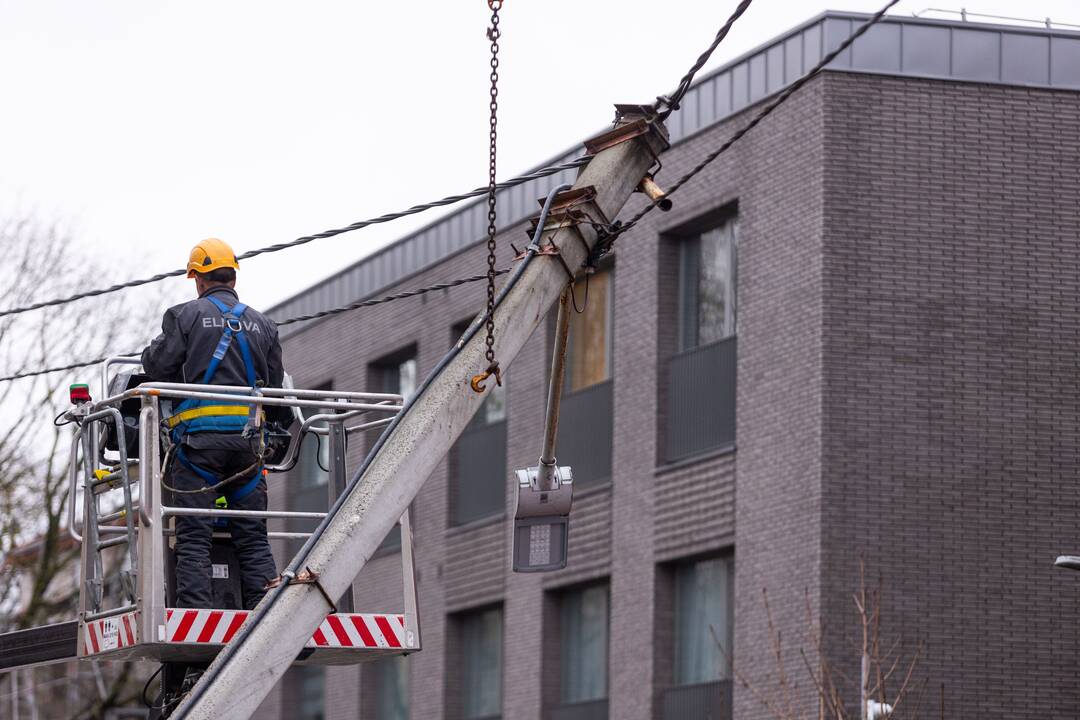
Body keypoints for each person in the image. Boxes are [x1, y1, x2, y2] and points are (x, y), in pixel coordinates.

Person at [141, 238, 286, 612]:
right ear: (232, 277)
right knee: (252, 538)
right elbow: (275, 385)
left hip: (198, 450)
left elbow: (158, 367)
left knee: (194, 538)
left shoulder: (184, 316)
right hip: (248, 451)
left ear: (198, 280)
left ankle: (197, 617)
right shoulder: (263, 324)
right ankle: (264, 614)